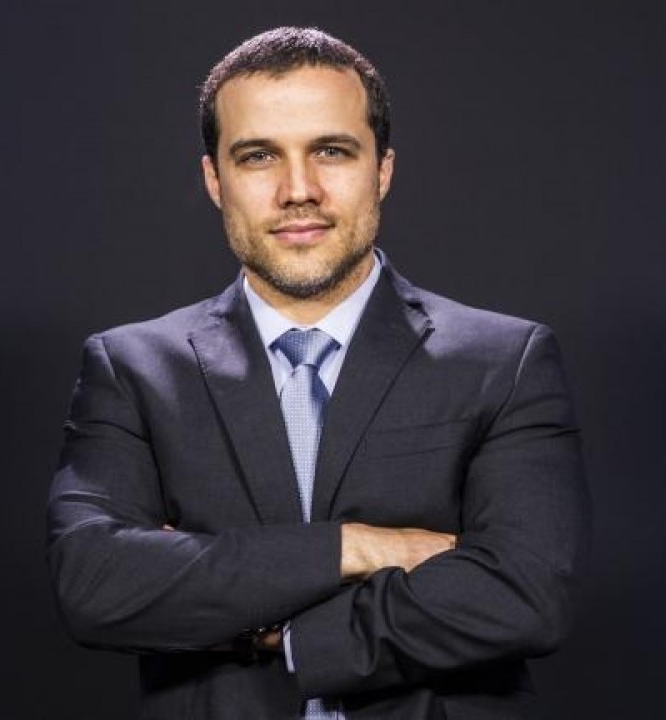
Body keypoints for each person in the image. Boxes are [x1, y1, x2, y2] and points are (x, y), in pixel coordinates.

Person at [47, 26, 589, 719]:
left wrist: (281, 632)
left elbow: (526, 595)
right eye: (258, 157)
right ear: (214, 180)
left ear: (382, 169)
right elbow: (96, 585)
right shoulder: (132, 369)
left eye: (331, 151)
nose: (298, 190)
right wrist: (354, 547)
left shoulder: (504, 361)